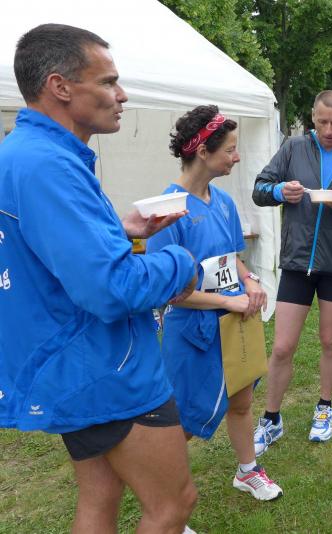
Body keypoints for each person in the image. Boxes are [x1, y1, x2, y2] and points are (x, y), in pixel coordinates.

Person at [0, 24, 198, 533]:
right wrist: (182, 263)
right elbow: (111, 288)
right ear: (60, 86)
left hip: (73, 362)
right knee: (172, 505)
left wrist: (120, 231)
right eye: (108, 81)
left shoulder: (25, 152)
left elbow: (51, 253)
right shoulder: (49, 164)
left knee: (100, 496)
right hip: (103, 369)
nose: (122, 95)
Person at [146, 105, 282, 501]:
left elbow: (231, 257)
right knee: (182, 422)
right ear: (203, 152)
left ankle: (247, 471)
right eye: (230, 150)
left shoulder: (222, 202)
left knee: (241, 400)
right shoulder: (166, 211)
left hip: (233, 324)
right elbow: (170, 293)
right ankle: (167, 503)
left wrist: (249, 279)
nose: (236, 157)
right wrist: (230, 301)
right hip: (192, 332)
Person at [251, 90, 332, 451]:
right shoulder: (293, 148)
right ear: (313, 117)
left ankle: (324, 407)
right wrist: (280, 191)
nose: (329, 130)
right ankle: (271, 418)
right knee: (282, 347)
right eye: (323, 122)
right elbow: (259, 189)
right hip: (297, 261)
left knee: (330, 341)